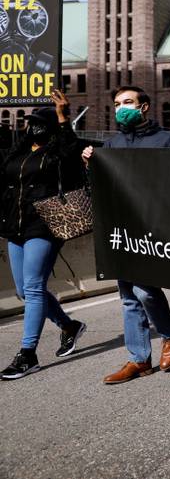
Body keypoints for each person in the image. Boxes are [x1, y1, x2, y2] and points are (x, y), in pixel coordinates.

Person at [81, 86, 170, 383]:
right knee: (128, 296)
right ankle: (139, 359)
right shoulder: (111, 145)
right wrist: (91, 164)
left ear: (144, 107)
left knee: (144, 290)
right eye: (116, 104)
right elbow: (102, 189)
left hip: (152, 229)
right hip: (121, 229)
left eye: (127, 102)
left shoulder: (166, 141)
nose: (121, 108)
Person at [0, 91, 88, 380]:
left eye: (41, 122)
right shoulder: (21, 150)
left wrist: (64, 119)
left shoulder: (58, 152)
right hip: (15, 225)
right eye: (31, 122)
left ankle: (28, 354)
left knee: (35, 287)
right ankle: (69, 326)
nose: (34, 126)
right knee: (25, 291)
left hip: (46, 223)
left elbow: (72, 154)